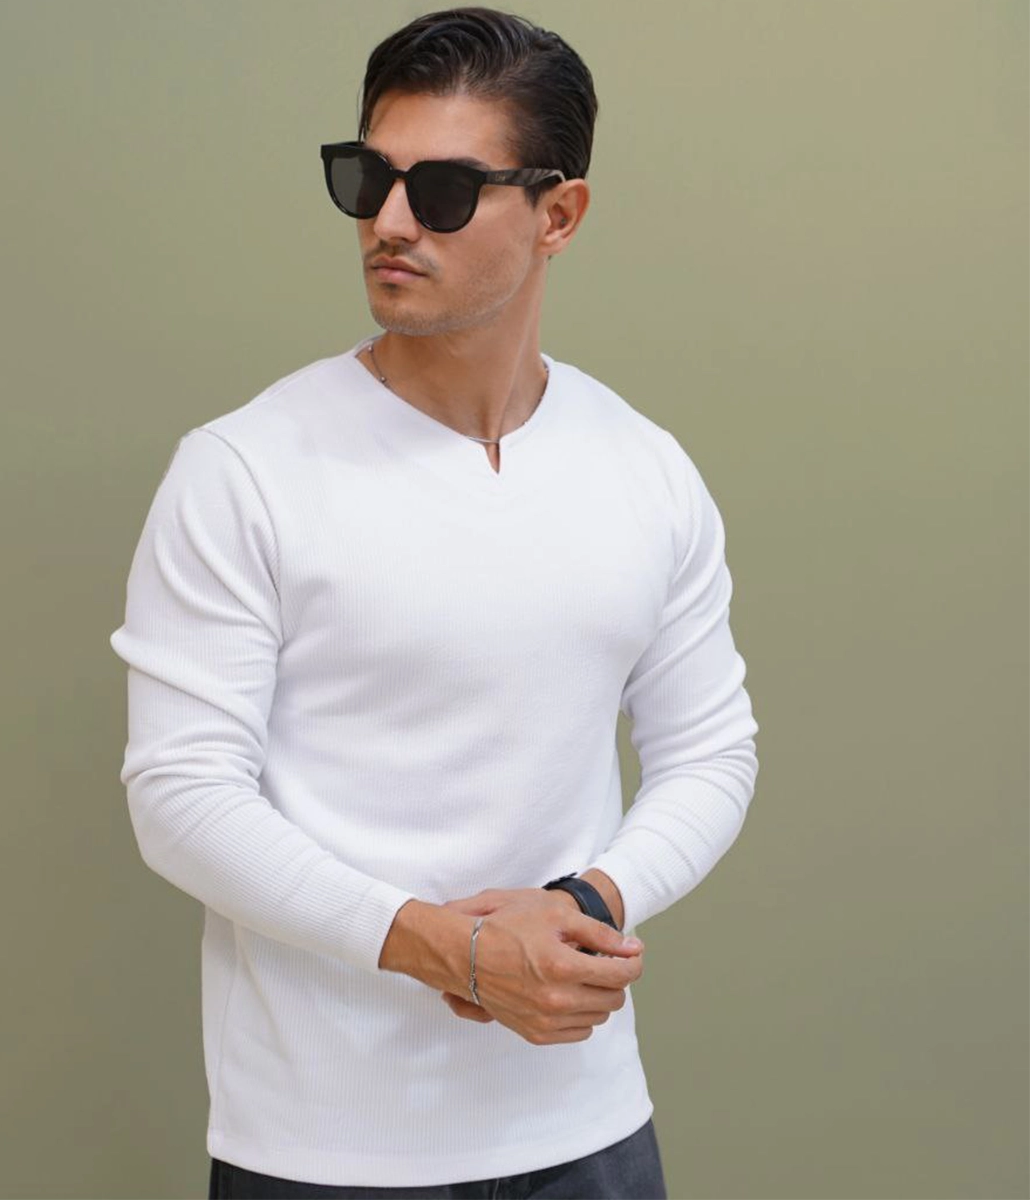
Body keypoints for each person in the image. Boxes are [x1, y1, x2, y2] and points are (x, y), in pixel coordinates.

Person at [110, 7, 759, 1197]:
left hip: (589, 1129)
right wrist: (452, 951)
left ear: (559, 215)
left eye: (446, 189)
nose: (391, 222)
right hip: (325, 1149)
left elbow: (712, 751)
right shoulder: (245, 470)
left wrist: (587, 902)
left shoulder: (642, 467)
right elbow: (182, 797)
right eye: (369, 178)